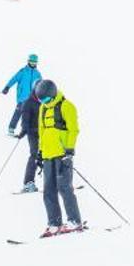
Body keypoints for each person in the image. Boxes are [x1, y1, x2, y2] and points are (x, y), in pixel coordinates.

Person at [34, 79, 84, 236]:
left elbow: (73, 129)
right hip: (48, 155)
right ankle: (54, 223)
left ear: (53, 93)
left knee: (65, 188)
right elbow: (42, 131)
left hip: (62, 155)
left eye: (47, 99)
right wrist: (40, 152)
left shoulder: (67, 106)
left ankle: (74, 221)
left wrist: (69, 151)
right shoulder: (43, 108)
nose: (45, 102)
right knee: (48, 190)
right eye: (41, 100)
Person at [1, 53, 41, 135]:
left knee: (32, 114)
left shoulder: (38, 73)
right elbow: (14, 79)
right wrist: (7, 87)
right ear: (28, 61)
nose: (33, 63)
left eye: (35, 62)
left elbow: (41, 84)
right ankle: (11, 128)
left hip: (33, 98)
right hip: (22, 97)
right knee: (18, 112)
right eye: (31, 61)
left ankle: (29, 130)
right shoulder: (23, 71)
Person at [15, 86, 43, 193]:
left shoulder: (46, 100)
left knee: (51, 155)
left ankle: (56, 181)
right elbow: (25, 118)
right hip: (33, 132)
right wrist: (24, 129)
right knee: (35, 154)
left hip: (45, 132)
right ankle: (28, 183)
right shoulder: (29, 102)